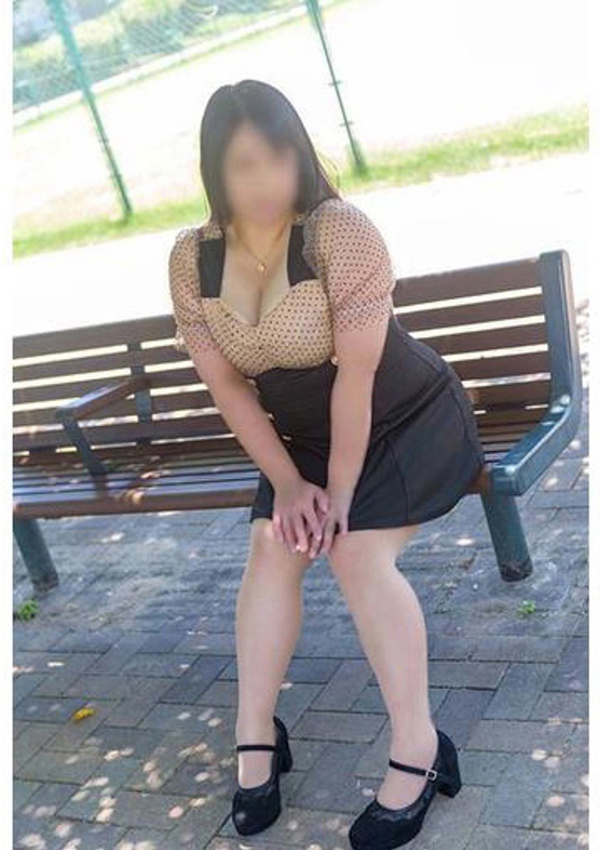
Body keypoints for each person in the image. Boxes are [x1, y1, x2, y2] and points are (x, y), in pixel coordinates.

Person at [168, 79, 484, 848]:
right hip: (302, 441)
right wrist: (287, 483)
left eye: (280, 158)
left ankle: (419, 746)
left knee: (354, 552)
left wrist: (338, 495)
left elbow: (358, 377)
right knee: (270, 545)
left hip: (405, 417)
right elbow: (228, 388)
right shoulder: (191, 258)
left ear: (299, 154)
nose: (267, 181)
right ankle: (255, 735)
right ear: (216, 169)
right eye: (245, 164)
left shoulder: (338, 232)